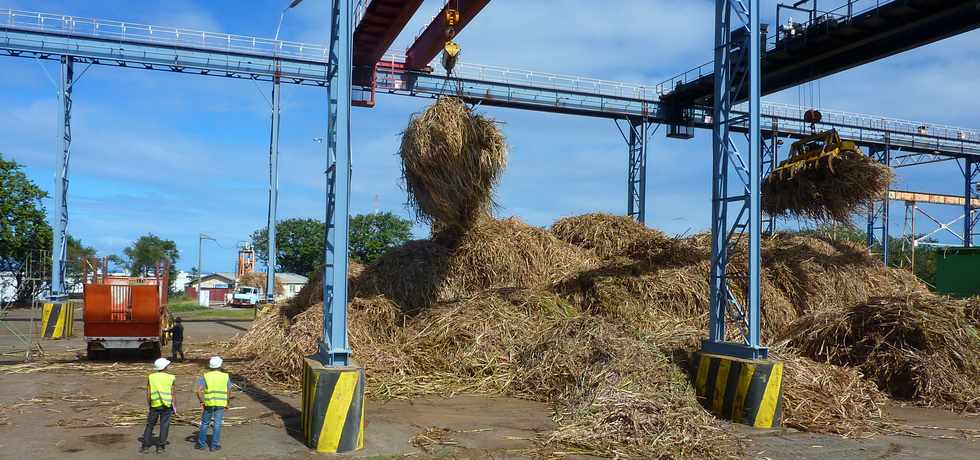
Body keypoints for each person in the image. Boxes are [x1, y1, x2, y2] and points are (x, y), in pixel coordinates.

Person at [196, 356, 231, 451]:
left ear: (210, 366)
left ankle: (201, 444)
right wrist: (227, 402)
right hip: (220, 404)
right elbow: (228, 391)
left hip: (208, 403)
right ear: (220, 365)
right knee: (217, 424)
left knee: (205, 423)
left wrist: (201, 401)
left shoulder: (205, 376)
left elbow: (198, 391)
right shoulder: (225, 376)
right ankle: (214, 445)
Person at [142, 358, 176, 454]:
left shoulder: (151, 377)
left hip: (154, 405)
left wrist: (149, 404)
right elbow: (173, 393)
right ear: (165, 367)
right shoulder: (171, 377)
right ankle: (161, 447)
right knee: (164, 426)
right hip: (167, 406)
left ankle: (145, 446)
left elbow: (148, 392)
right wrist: (174, 406)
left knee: (150, 425)